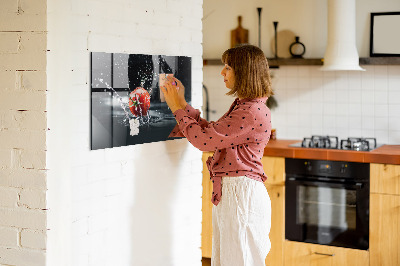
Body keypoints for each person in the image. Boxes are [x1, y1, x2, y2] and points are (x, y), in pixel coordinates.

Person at [161, 44, 273, 266]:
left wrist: (176, 108)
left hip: (241, 196)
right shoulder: (246, 106)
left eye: (228, 67)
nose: (222, 72)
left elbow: (204, 141)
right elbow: (212, 133)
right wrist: (182, 103)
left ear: (244, 72)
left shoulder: (250, 111)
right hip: (236, 193)